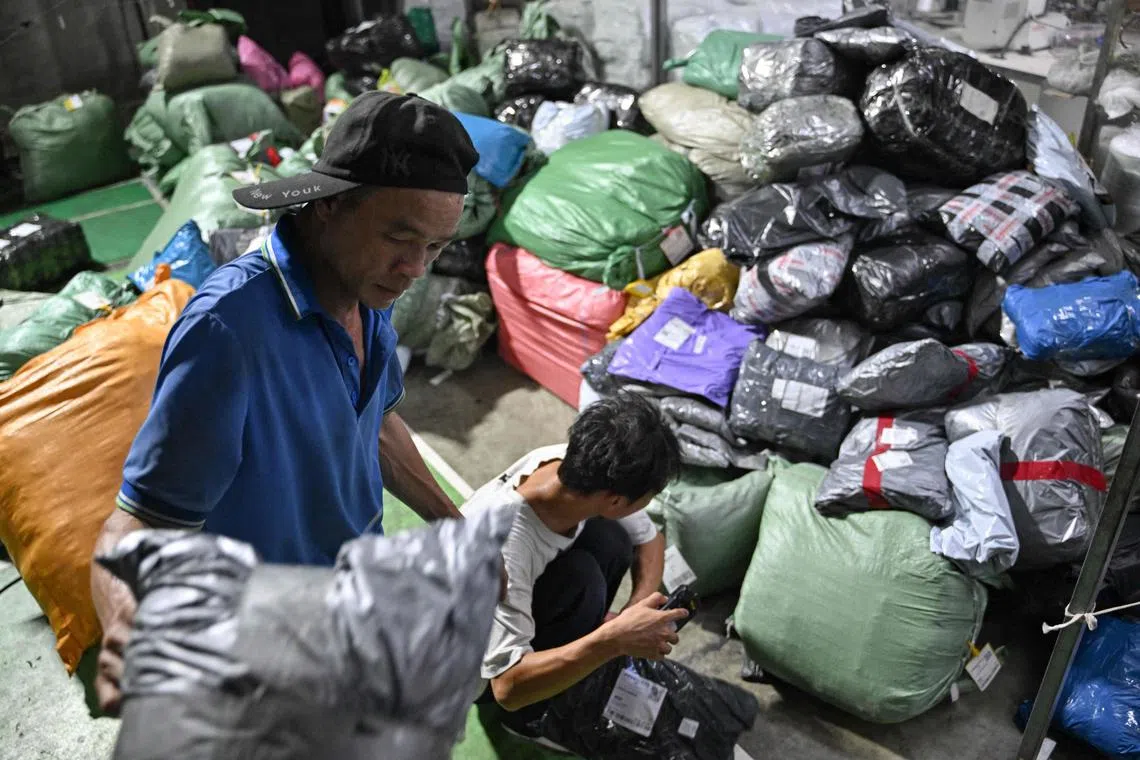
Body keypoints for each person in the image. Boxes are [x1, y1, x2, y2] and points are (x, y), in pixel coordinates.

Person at [90, 92, 480, 715]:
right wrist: (126, 626)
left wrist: (455, 525)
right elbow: (135, 522)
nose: (414, 269)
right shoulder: (230, 332)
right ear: (327, 206)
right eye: (400, 237)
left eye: (434, 248)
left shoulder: (368, 295)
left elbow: (373, 423)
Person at [464, 392, 689, 746]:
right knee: (583, 580)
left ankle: (570, 654)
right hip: (471, 671)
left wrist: (634, 613)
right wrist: (612, 641)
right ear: (616, 500)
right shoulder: (505, 544)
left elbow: (652, 540)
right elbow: (506, 685)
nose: (649, 505)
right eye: (649, 496)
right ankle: (530, 719)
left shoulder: (573, 466)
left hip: (505, 604)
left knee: (612, 538)